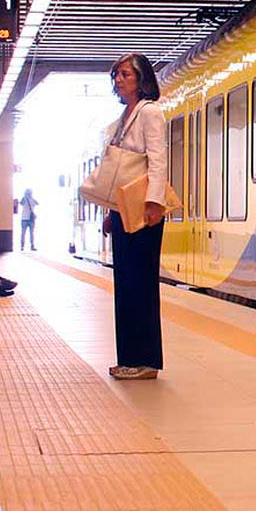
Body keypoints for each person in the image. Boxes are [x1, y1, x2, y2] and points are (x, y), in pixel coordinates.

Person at [102, 53, 171, 381]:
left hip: (144, 209)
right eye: (117, 75)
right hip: (123, 208)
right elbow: (116, 170)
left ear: (142, 79)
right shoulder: (122, 117)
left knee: (141, 284)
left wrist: (154, 202)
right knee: (125, 284)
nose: (119, 79)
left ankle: (146, 360)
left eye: (125, 74)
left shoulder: (150, 113)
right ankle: (128, 357)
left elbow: (157, 160)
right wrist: (108, 210)